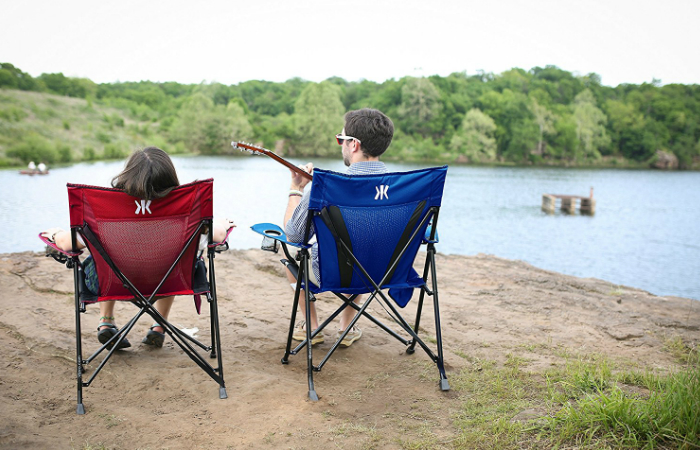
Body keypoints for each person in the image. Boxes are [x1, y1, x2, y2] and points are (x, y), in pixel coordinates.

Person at [41, 147, 235, 350]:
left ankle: (106, 320)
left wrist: (55, 234)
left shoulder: (105, 212)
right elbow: (218, 236)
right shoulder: (186, 212)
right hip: (170, 282)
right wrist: (222, 223)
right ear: (170, 177)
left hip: (114, 283)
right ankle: (159, 326)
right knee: (173, 258)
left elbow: (67, 244)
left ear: (128, 175)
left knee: (100, 259)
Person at [284, 108, 394, 347]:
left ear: (353, 144)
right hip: (388, 271)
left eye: (340, 139)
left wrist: (297, 189)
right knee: (364, 248)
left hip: (334, 273)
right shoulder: (403, 189)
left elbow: (293, 235)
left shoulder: (326, 188)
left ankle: (312, 328)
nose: (340, 145)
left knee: (289, 254)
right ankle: (347, 327)